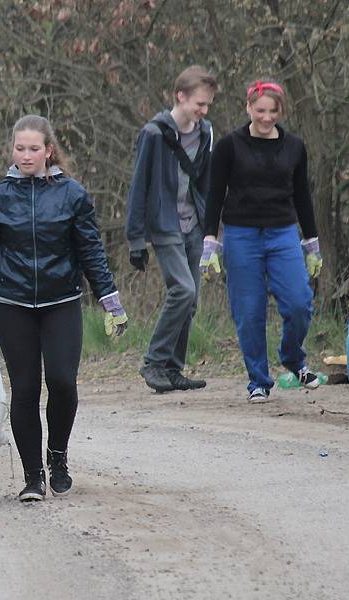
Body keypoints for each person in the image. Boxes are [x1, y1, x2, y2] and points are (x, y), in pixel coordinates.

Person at [0, 115, 128, 502]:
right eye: (19, 148)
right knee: (25, 389)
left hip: (61, 301)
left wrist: (110, 299)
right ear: (12, 150)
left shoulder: (72, 195)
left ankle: (57, 457)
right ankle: (32, 477)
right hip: (13, 304)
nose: (26, 155)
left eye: (34, 149)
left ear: (48, 151)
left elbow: (91, 251)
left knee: (62, 381)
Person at [201, 80, 323, 403]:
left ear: (280, 111)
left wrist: (311, 241)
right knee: (249, 310)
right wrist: (210, 240)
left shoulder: (294, 147)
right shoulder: (229, 146)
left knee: (299, 302)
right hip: (241, 234)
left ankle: (292, 357)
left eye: (273, 111)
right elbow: (215, 194)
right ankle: (258, 379)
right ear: (248, 108)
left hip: (283, 232)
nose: (267, 118)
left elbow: (302, 195)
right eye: (260, 111)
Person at [125, 66, 218, 393]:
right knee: (183, 290)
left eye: (207, 106)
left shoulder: (205, 132)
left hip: (193, 223)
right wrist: (136, 238)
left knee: (190, 301)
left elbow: (207, 182)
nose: (203, 111)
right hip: (164, 224)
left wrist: (211, 230)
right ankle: (153, 361)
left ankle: (173, 369)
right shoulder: (154, 133)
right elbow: (139, 185)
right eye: (199, 104)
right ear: (181, 96)